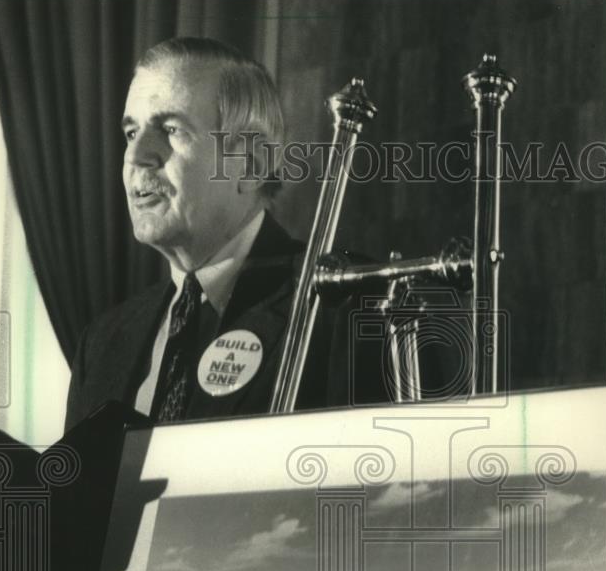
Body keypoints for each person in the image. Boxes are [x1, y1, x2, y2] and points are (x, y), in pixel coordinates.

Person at [64, 37, 388, 432]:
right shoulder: (101, 346)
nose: (135, 157)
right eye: (131, 133)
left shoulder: (346, 308)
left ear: (250, 165)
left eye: (170, 129)